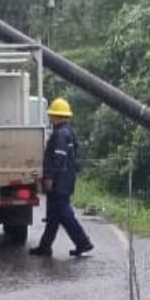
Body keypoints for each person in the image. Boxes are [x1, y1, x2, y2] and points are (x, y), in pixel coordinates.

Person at [30, 98, 94, 257]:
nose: (50, 118)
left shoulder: (59, 134)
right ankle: (45, 247)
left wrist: (49, 177)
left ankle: (83, 242)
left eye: (51, 115)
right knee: (53, 216)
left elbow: (58, 158)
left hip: (59, 182)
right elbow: (73, 153)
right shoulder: (69, 132)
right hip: (66, 179)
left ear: (56, 116)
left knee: (64, 214)